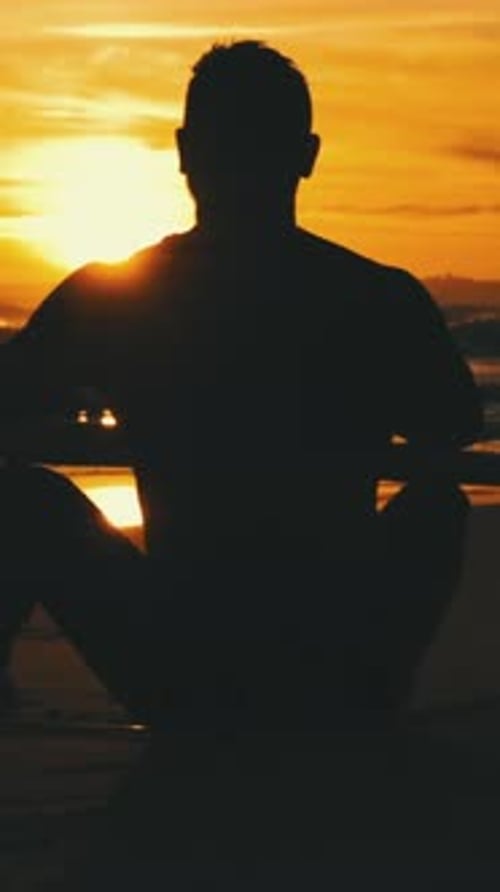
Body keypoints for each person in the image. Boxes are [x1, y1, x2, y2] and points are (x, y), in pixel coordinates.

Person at [0, 41, 482, 731]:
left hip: (178, 666)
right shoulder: (376, 295)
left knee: (22, 497)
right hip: (329, 658)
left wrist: (100, 386)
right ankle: (369, 700)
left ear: (186, 150)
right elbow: (454, 425)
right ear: (307, 154)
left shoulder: (116, 298)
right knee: (437, 502)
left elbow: (9, 401)